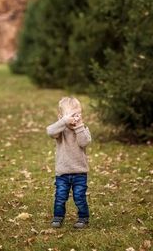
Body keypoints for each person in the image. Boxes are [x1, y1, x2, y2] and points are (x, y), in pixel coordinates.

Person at [46, 97, 92, 228]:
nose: (75, 118)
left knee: (80, 197)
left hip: (80, 172)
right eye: (72, 115)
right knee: (60, 197)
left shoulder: (83, 129)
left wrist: (79, 126)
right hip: (63, 172)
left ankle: (83, 218)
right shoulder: (60, 131)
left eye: (78, 114)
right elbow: (50, 131)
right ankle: (58, 217)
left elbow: (84, 142)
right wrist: (63, 122)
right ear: (61, 117)